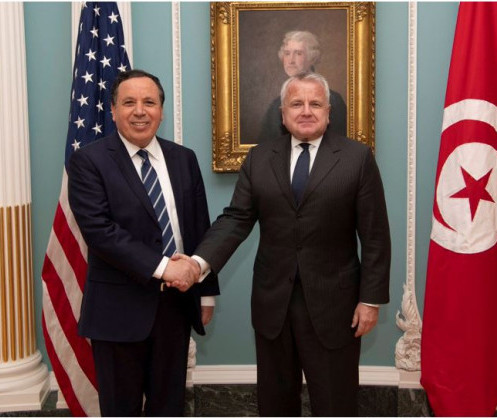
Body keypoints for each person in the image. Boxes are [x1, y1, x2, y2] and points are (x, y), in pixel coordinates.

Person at [183, 72, 390, 416]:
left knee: (336, 403)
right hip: (273, 304)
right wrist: (197, 263)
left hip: (335, 306)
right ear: (283, 113)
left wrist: (370, 300)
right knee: (275, 404)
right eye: (297, 103)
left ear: (328, 113)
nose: (306, 111)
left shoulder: (357, 158)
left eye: (315, 104)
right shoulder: (259, 158)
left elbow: (375, 236)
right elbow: (236, 219)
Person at [67, 69, 219, 416]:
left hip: (177, 306)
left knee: (169, 406)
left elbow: (199, 226)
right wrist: (166, 268)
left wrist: (206, 291)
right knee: (121, 408)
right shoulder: (89, 161)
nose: (140, 111)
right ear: (113, 110)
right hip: (118, 309)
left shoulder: (184, 158)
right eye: (129, 102)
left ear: (161, 111)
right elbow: (100, 231)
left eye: (149, 102)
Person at [258, 30, 347, 143]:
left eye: (298, 53)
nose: (291, 60)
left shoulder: (333, 99)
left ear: (312, 58)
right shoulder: (276, 104)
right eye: (287, 53)